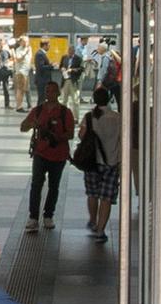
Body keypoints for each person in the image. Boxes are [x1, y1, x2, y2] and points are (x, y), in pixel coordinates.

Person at [18, 81, 76, 231]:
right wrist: (33, 125)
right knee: (36, 185)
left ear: (58, 93)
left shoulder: (65, 112)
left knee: (54, 186)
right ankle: (33, 217)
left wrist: (55, 136)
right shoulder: (37, 111)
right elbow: (23, 127)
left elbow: (70, 134)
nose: (49, 94)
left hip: (59, 155)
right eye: (47, 91)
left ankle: (48, 215)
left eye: (52, 91)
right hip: (40, 153)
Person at [79, 86, 122, 241]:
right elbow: (123, 140)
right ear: (108, 98)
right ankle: (100, 230)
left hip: (92, 162)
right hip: (111, 162)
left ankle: (93, 220)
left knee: (92, 194)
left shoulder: (89, 116)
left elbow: (81, 135)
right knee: (106, 197)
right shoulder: (117, 118)